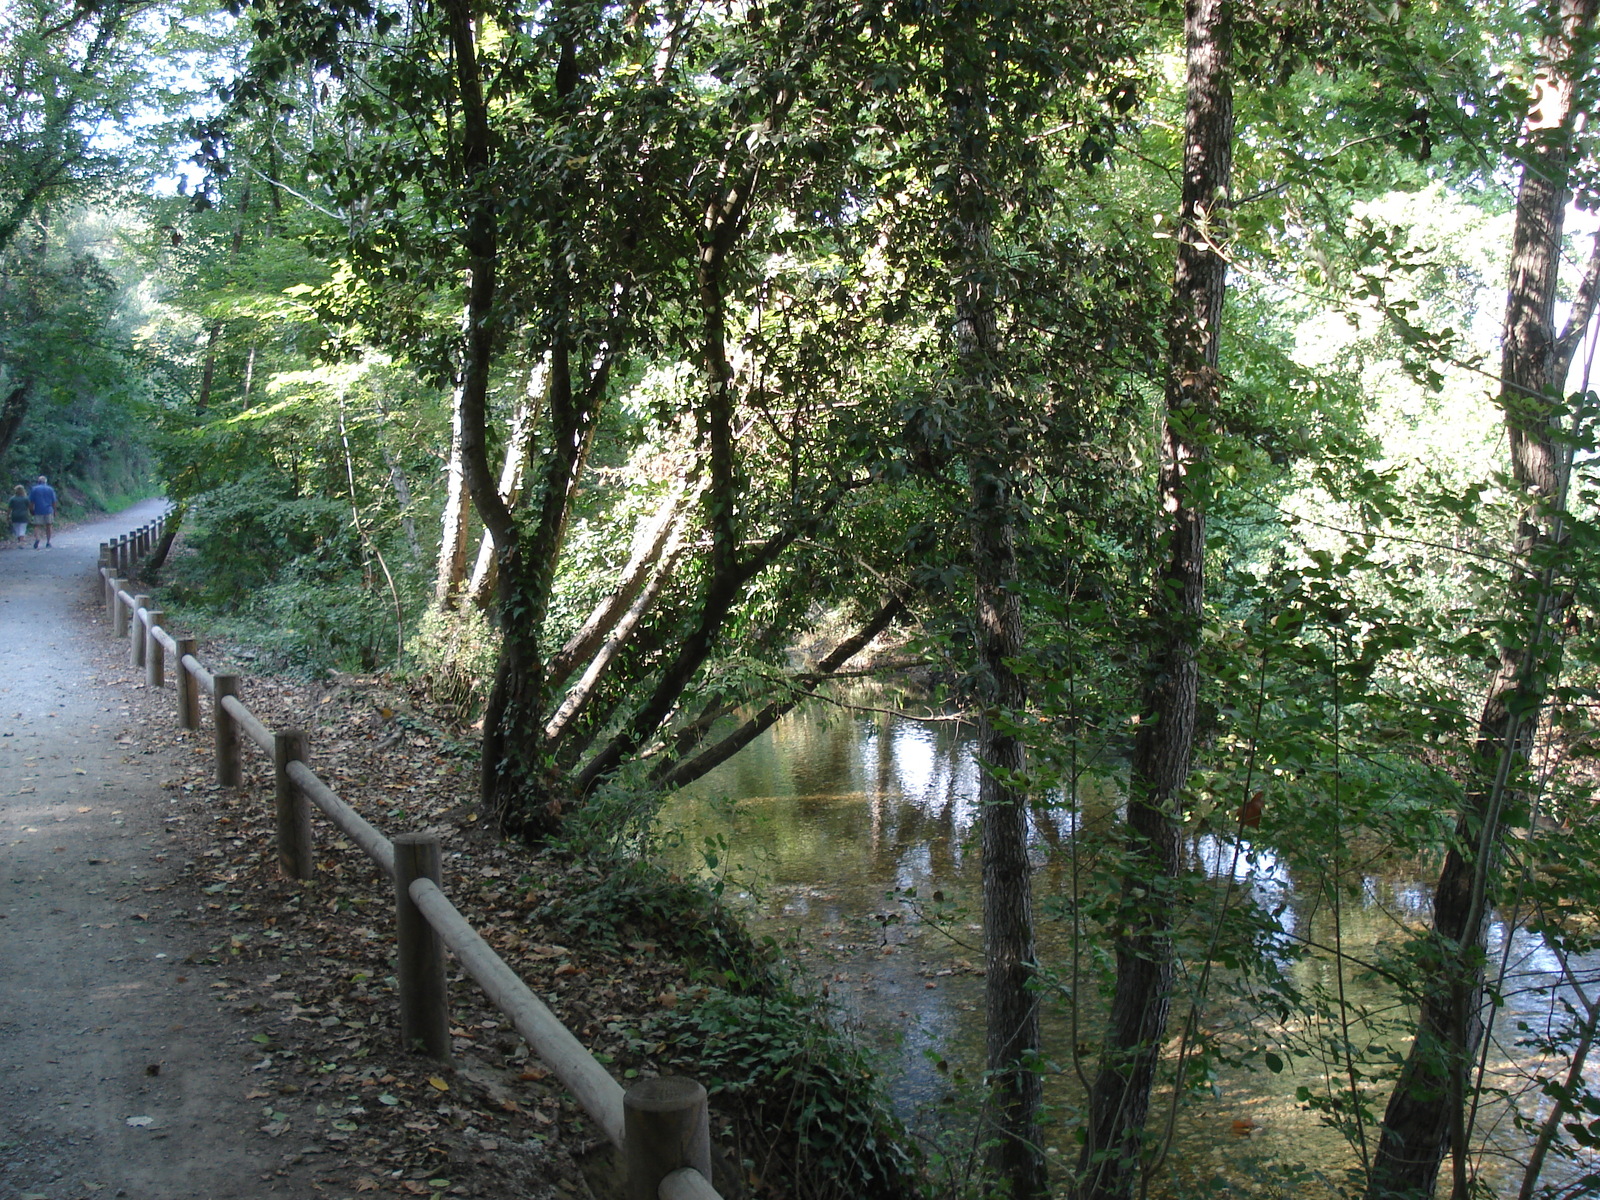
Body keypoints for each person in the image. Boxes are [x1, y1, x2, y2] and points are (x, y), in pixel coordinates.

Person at [28, 474, 56, 548]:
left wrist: (31, 510)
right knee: (49, 526)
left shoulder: (34, 489)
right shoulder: (50, 489)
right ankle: (48, 542)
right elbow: (54, 501)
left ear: (38, 481)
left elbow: (31, 501)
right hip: (48, 510)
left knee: (37, 526)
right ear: (45, 482)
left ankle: (37, 538)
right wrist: (54, 511)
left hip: (38, 510)